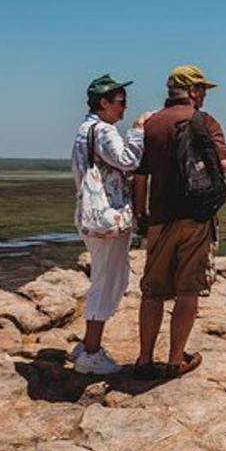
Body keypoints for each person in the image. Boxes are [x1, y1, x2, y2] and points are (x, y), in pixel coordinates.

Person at [132, 64, 226, 378]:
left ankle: (145, 361)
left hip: (160, 217)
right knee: (188, 290)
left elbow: (139, 175)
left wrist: (140, 214)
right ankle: (175, 361)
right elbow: (225, 164)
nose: (203, 95)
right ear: (191, 91)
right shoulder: (205, 121)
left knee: (153, 292)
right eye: (201, 89)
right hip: (197, 217)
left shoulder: (151, 124)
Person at [69, 74, 153, 375]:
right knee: (108, 283)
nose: (125, 107)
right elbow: (128, 160)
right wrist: (138, 130)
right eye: (120, 102)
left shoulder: (85, 129)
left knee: (103, 280)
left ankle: (87, 344)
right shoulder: (103, 131)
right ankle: (91, 353)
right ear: (103, 102)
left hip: (92, 217)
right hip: (108, 220)